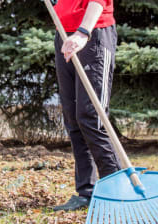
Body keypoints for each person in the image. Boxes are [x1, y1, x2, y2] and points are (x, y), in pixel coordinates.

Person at [52, 0, 121, 211]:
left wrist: (83, 32)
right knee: (73, 118)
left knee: (91, 117)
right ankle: (86, 192)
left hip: (93, 34)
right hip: (64, 33)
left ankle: (117, 191)